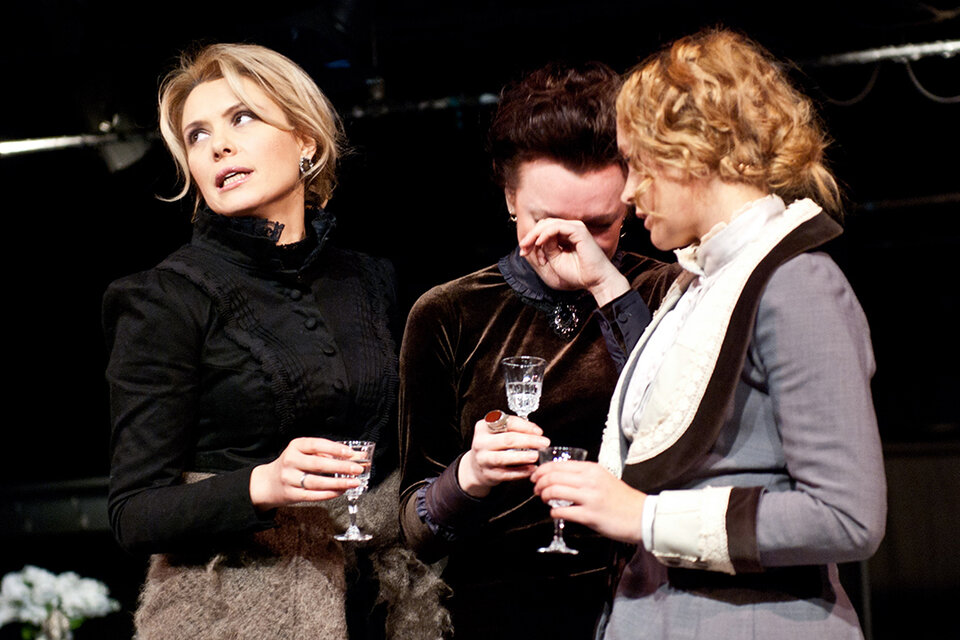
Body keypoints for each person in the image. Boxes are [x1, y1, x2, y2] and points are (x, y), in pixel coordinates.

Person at [528, 28, 887, 639]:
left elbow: (847, 516)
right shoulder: (702, 282)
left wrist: (645, 517)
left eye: (638, 163)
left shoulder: (797, 283)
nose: (629, 191)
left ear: (694, 151)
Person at [102, 43, 446, 640]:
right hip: (235, 615)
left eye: (242, 118)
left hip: (379, 604)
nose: (218, 146)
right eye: (197, 135)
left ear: (306, 140)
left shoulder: (369, 279)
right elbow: (133, 513)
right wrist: (263, 485)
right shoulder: (165, 297)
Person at [398, 62, 680, 639]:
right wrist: (470, 476)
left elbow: (687, 432)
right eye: (546, 220)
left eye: (598, 225)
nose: (568, 243)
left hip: (647, 602)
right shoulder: (449, 313)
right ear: (510, 197)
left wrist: (607, 287)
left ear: (630, 201)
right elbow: (414, 529)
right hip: (496, 611)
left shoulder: (667, 291)